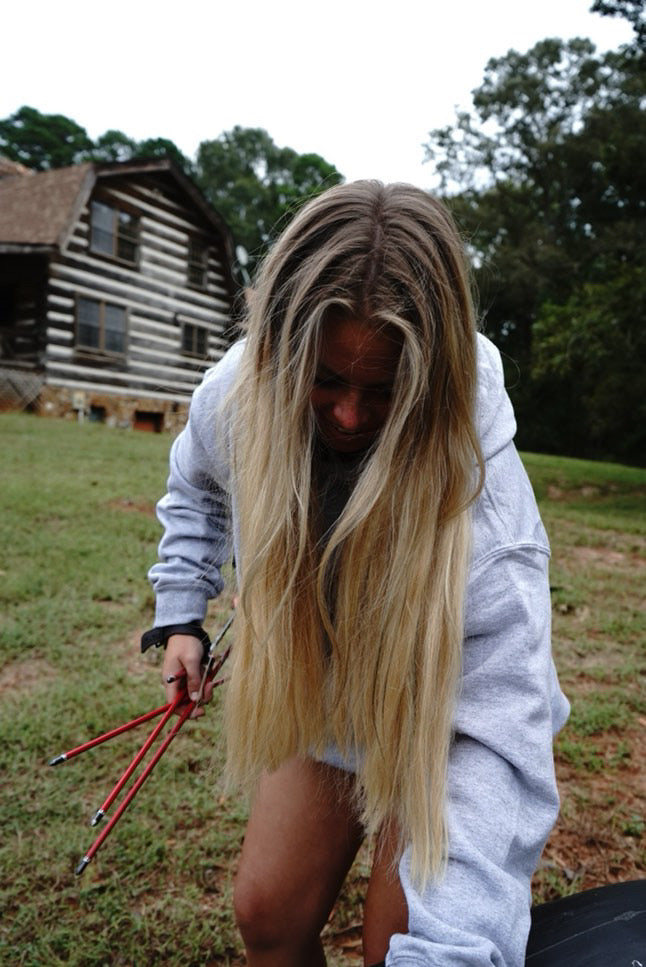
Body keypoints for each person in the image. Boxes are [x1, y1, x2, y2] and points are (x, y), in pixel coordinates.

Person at [141, 181, 570, 966]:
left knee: (401, 946)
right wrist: (180, 613)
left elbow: (503, 719)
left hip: (440, 719)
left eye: (382, 391)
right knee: (268, 914)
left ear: (430, 376)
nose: (346, 416)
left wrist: (451, 947)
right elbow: (197, 483)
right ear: (278, 350)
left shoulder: (485, 499)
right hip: (327, 699)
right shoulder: (236, 392)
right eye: (326, 381)